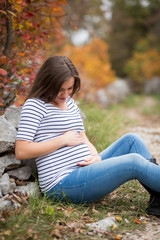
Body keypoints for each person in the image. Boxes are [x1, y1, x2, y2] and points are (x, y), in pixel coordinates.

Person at [15, 56, 160, 216]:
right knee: (134, 162)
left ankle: (157, 201)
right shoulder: (34, 105)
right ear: (47, 83)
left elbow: (83, 138)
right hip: (62, 183)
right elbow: (21, 151)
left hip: (86, 169)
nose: (65, 94)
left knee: (132, 140)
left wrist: (95, 156)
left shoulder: (69, 102)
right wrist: (63, 140)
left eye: (69, 88)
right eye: (60, 89)